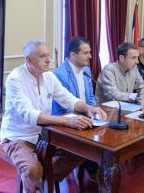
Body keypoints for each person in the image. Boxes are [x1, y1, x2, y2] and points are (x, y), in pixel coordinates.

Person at [0, 40, 106, 193]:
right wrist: (68, 121)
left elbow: (68, 99)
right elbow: (29, 114)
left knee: (81, 151)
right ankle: (35, 182)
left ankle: (44, 178)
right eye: (43, 56)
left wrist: (89, 107)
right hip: (18, 136)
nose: (49, 59)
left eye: (48, 55)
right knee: (32, 170)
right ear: (28, 59)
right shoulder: (15, 79)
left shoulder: (48, 76)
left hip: (44, 134)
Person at [51, 37, 107, 182]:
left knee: (106, 132)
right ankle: (87, 167)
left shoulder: (86, 70)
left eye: (90, 52)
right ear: (73, 55)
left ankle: (94, 167)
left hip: (84, 114)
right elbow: (63, 106)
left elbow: (90, 96)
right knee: (91, 142)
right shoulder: (59, 74)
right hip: (65, 118)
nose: (90, 56)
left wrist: (93, 109)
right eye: (86, 53)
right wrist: (83, 115)